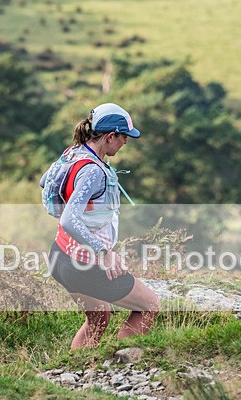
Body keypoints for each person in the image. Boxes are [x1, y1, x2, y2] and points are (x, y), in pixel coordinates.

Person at [45, 103, 160, 349]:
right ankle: (122, 366)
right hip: (85, 264)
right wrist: (103, 251)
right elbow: (69, 219)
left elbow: (46, 181)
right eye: (124, 137)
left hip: (60, 256)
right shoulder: (93, 171)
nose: (126, 142)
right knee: (149, 305)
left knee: (99, 317)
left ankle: (75, 373)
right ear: (110, 137)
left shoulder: (72, 153)